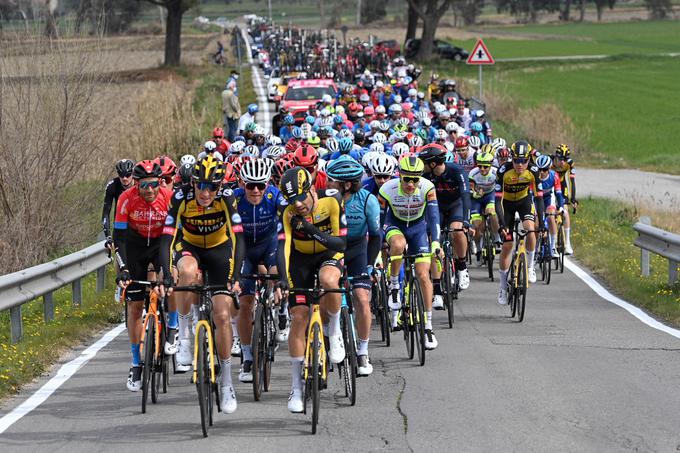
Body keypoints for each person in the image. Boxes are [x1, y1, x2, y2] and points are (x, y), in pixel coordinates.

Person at [159, 155, 246, 414]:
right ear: (193, 183)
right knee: (185, 273)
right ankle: (185, 335)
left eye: (212, 187)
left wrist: (237, 275)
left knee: (221, 314)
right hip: (190, 247)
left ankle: (227, 382)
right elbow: (166, 239)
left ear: (219, 186)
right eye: (201, 186)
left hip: (220, 250)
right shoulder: (181, 197)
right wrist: (166, 273)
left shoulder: (227, 197)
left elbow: (238, 238)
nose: (206, 192)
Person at [276, 167, 348, 413]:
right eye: (291, 200)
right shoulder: (287, 212)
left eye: (300, 197)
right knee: (298, 317)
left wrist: (310, 230)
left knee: (328, 280)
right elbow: (283, 249)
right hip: (300, 261)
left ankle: (334, 331)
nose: (297, 205)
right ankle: (296, 387)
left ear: (310, 190)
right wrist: (284, 279)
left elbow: (341, 243)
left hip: (329, 254)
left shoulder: (332, 200)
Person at [113, 160, 172, 392]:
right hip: (135, 246)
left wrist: (168, 270)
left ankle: (173, 330)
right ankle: (136, 363)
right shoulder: (126, 199)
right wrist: (124, 268)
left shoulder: (168, 197)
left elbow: (174, 236)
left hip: (160, 244)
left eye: (154, 184)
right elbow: (119, 239)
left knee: (171, 280)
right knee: (135, 307)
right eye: (145, 185)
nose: (150, 190)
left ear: (160, 183)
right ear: (136, 184)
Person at [325, 156, 381, 376]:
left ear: (346, 185)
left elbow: (376, 237)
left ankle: (362, 352)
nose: (327, 184)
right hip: (331, 250)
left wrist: (369, 265)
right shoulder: (326, 200)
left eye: (332, 180)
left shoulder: (368, 201)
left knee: (362, 298)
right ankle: (327, 340)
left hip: (358, 250)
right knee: (325, 293)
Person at [378, 156, 441, 350]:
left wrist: (436, 242)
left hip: (418, 229)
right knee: (398, 244)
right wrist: (380, 248)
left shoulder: (428, 187)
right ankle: (395, 286)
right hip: (394, 225)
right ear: (400, 176)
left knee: (423, 275)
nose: (411, 184)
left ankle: (428, 326)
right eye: (407, 179)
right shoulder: (386, 189)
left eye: (416, 179)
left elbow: (433, 216)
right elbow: (380, 223)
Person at [233, 159, 287, 383]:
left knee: (274, 272)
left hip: (269, 246)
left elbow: (290, 211)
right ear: (242, 183)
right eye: (250, 185)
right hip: (244, 249)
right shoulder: (234, 198)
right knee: (245, 304)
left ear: (268, 184)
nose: (255, 190)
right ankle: (246, 356)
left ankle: (274, 308)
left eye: (260, 186)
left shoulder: (275, 196)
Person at [495, 141, 545, 305]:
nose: (520, 164)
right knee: (508, 245)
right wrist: (502, 224)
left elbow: (538, 198)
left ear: (529, 159)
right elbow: (497, 202)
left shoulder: (534, 171)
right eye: (516, 160)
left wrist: (542, 222)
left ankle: (530, 267)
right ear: (512, 159)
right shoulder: (503, 171)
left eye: (524, 161)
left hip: (524, 201)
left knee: (531, 229)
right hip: (507, 205)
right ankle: (502, 287)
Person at [420, 144, 472, 296]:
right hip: (437, 209)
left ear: (433, 163)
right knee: (433, 238)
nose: (422, 165)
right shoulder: (425, 176)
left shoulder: (457, 171)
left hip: (456, 205)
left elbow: (466, 196)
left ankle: (461, 266)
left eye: (424, 162)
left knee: (457, 230)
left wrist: (467, 221)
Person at [102, 159, 135, 250]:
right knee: (120, 263)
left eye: (128, 175)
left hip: (138, 226)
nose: (124, 178)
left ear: (133, 173)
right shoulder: (112, 186)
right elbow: (106, 213)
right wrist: (108, 236)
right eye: (121, 175)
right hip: (120, 227)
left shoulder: (139, 183)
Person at [552, 144, 576, 254]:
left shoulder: (570, 164)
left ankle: (567, 243)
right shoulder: (549, 161)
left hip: (561, 185)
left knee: (565, 212)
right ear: (555, 157)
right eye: (560, 159)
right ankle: (553, 241)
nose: (562, 162)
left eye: (565, 159)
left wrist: (573, 199)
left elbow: (572, 182)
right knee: (552, 212)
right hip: (550, 185)